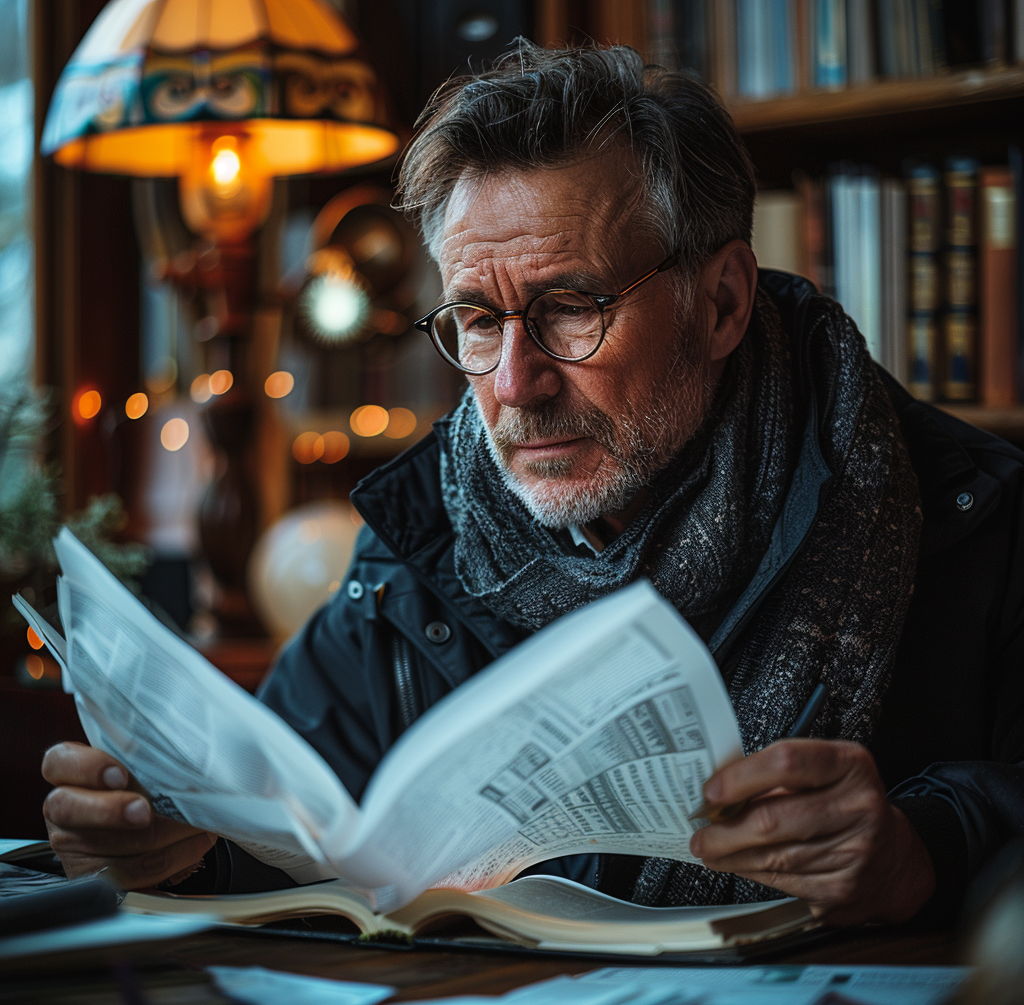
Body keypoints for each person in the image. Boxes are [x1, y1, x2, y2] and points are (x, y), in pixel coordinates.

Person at [41, 41, 1024, 926]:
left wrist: (926, 852)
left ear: (720, 302)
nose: (513, 385)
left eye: (568, 307)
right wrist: (178, 850)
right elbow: (298, 838)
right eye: (475, 318)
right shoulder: (422, 532)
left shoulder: (980, 516)